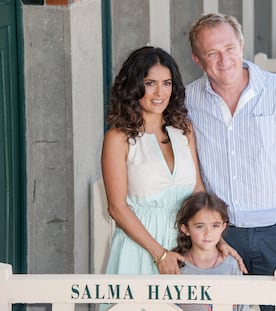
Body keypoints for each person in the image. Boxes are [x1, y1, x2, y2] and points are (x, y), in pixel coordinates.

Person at [185, 13, 276, 310]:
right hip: (220, 234)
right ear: (197, 59)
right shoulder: (188, 100)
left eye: (230, 48)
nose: (224, 59)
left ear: (242, 45)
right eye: (212, 53)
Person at [100, 46, 205, 281]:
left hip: (184, 248)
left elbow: (198, 190)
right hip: (139, 250)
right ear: (133, 87)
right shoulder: (118, 138)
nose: (160, 92)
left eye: (167, 83)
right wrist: (160, 254)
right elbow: (117, 208)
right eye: (150, 83)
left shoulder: (183, 129)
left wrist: (215, 241)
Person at [173, 192, 249, 311]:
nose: (208, 233)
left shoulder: (231, 265)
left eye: (215, 225)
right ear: (185, 229)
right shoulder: (177, 266)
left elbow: (241, 306)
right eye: (200, 226)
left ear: (223, 227)